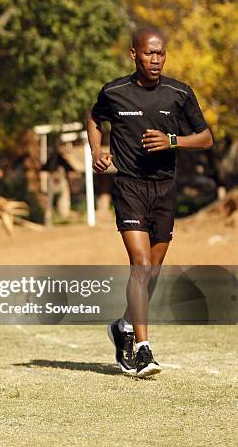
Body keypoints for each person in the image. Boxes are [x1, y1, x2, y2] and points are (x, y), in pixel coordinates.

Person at [87, 27, 213, 378]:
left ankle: (124, 326)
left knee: (153, 271)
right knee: (140, 265)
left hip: (164, 189)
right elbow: (95, 118)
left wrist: (173, 141)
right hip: (128, 187)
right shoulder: (114, 92)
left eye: (161, 54)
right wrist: (97, 151)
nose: (155, 60)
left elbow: (205, 138)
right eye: (149, 54)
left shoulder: (179, 93)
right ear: (134, 54)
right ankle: (143, 349)